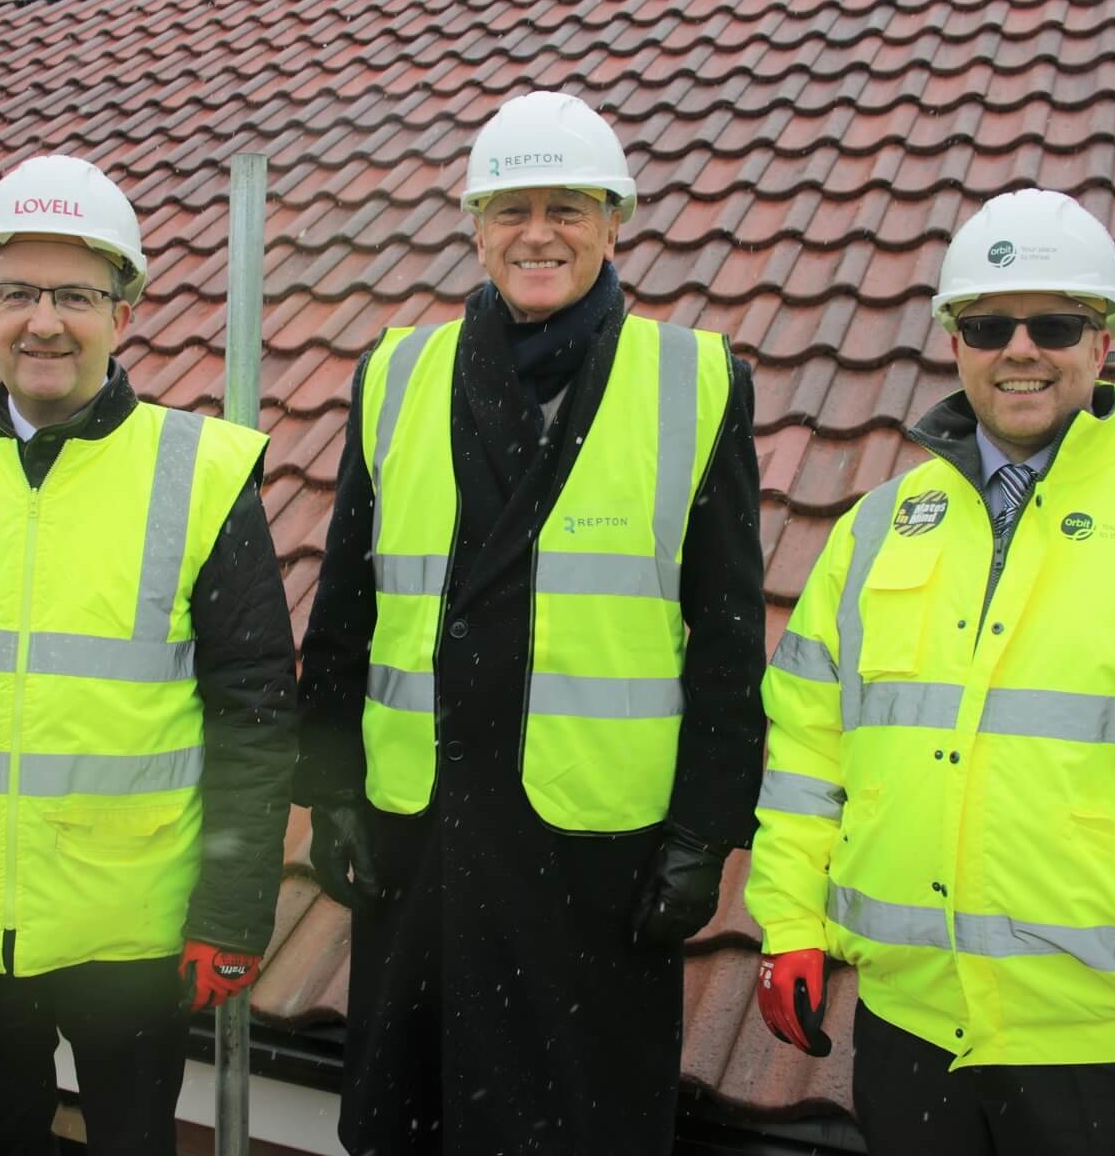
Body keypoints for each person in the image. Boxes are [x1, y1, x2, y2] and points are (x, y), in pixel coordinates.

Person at [745, 188, 1115, 1152]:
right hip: (909, 1036)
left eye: (1055, 322)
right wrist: (787, 923)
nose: (1019, 348)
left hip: (1106, 1055)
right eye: (987, 325)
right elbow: (807, 759)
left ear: (1103, 340)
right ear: (954, 342)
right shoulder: (871, 535)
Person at [295, 89, 766, 1154]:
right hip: (421, 839)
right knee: (415, 1119)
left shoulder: (693, 380)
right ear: (474, 224)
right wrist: (329, 792)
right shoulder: (397, 375)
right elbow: (344, 612)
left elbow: (731, 637)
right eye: (512, 209)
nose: (538, 233)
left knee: (574, 1126)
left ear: (615, 221)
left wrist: (701, 836)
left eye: (569, 207)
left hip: (597, 851)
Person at [0, 154, 299, 1156]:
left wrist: (233, 911)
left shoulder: (201, 472)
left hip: (134, 931)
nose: (44, 320)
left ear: (124, 313)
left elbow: (255, 717)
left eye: (76, 294)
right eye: (18, 292)